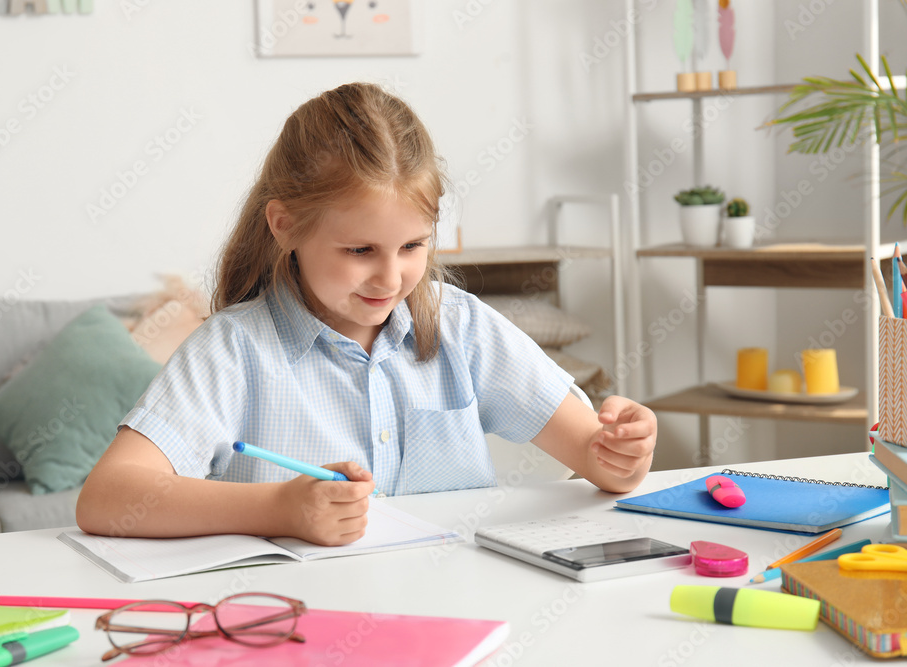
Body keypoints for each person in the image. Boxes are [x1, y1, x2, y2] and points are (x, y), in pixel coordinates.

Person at [76, 82, 657, 546]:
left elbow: (597, 460)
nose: (391, 277)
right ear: (285, 226)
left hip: (461, 608)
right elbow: (108, 497)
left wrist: (623, 453)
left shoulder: (461, 327)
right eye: (360, 251)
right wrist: (279, 508)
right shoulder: (233, 349)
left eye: (412, 247)